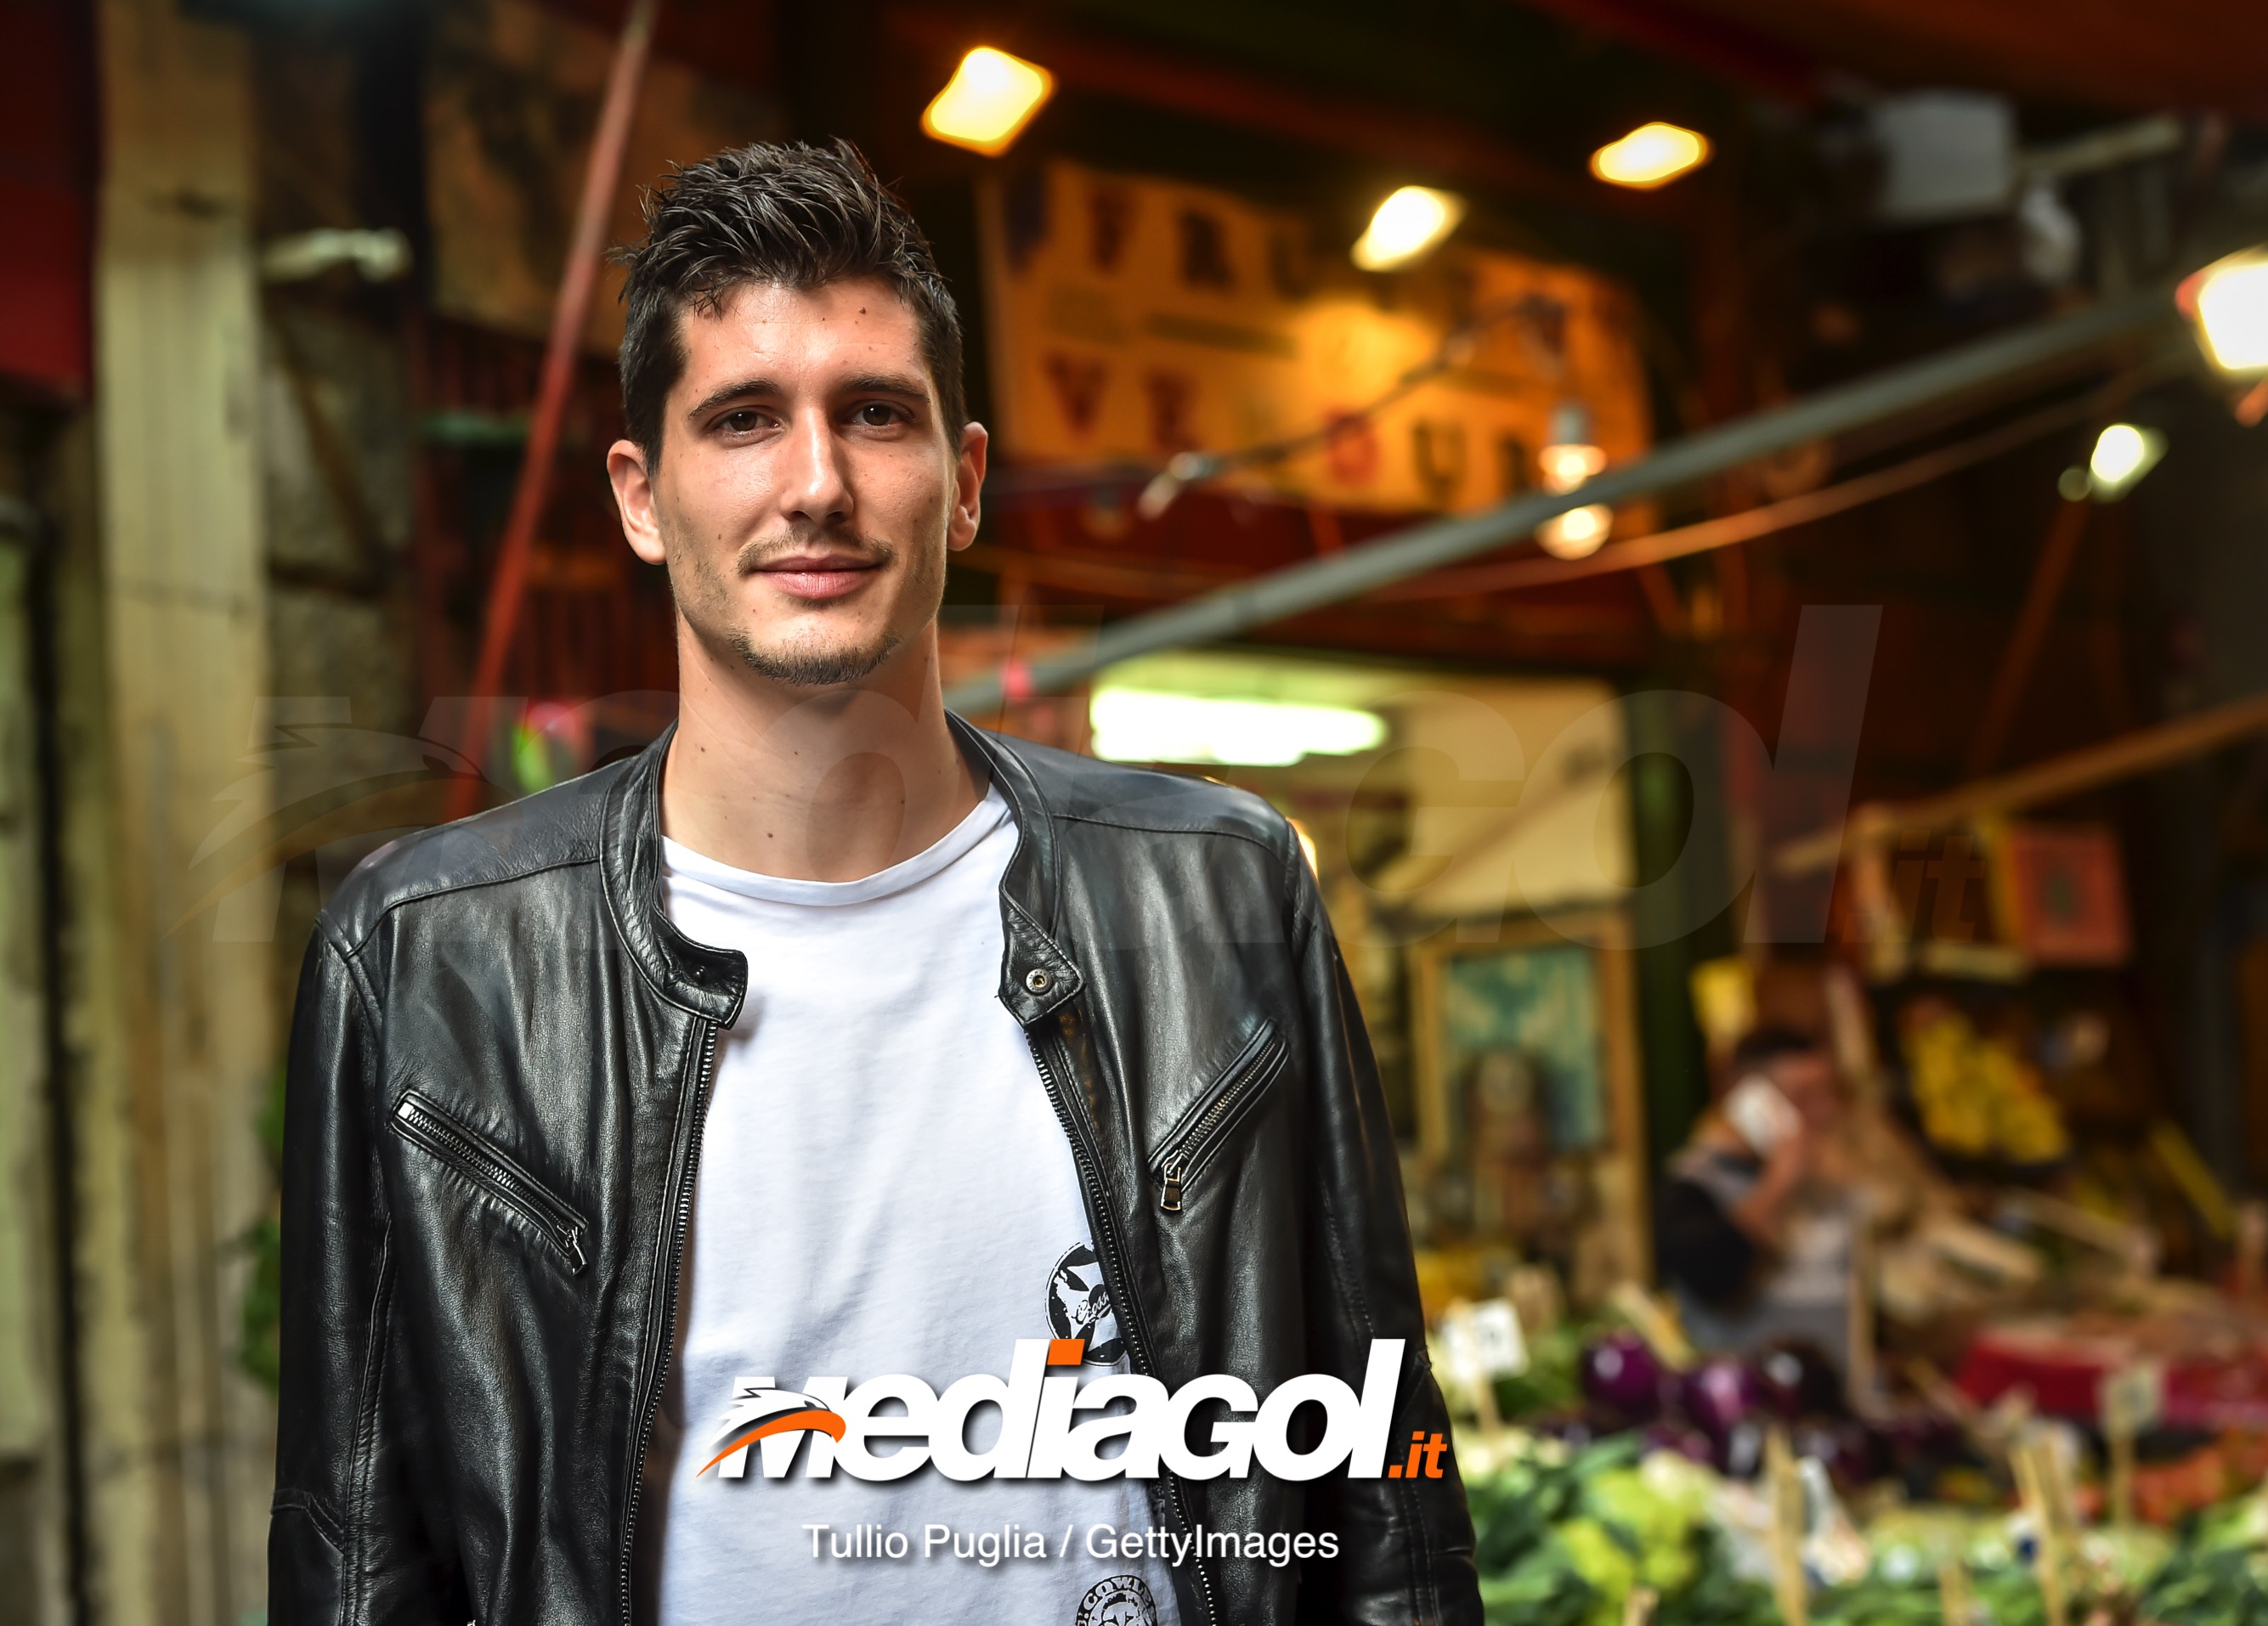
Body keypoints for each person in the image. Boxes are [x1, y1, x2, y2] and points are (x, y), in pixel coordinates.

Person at [267, 141, 1473, 1626]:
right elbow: (359, 1567)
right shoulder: (425, 963)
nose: (817, 483)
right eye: (746, 419)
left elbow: (1390, 1517)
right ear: (643, 499)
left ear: (962, 482)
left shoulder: (1219, 899)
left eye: (877, 416)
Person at [1655, 1025, 1858, 1372]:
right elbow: (1713, 1277)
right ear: (1750, 1099)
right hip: (1751, 1410)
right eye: (1804, 1097)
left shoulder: (1835, 1175)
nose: (1825, 1112)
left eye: (1829, 1094)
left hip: (1834, 1407)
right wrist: (1780, 1182)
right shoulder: (1694, 1184)